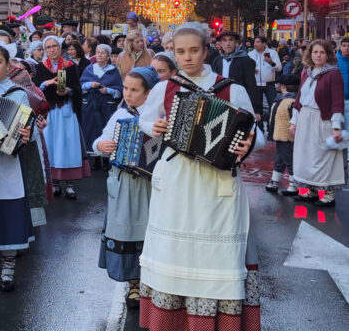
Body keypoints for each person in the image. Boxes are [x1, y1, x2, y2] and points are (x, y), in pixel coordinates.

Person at [136, 23, 259, 331]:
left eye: (193, 50)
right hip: (177, 177)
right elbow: (145, 119)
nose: (187, 57)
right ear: (173, 54)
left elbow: (253, 130)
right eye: (180, 52)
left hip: (216, 182)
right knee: (174, 251)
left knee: (216, 256)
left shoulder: (231, 89)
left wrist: (248, 143)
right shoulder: (166, 87)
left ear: (206, 51)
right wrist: (154, 127)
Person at [92, 65, 161, 309]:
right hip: (125, 183)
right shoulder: (121, 114)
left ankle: (152, 282)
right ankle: (134, 284)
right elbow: (100, 140)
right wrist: (101, 146)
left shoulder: (159, 117)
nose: (128, 94)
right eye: (125, 88)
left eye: (134, 90)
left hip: (152, 185)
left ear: (148, 93)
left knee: (150, 231)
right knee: (129, 232)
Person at [0, 43, 34, 293]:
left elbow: (29, 130)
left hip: (8, 161)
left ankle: (8, 267)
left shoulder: (18, 93)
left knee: (9, 210)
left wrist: (27, 134)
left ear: (8, 65)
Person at [289, 40, 345, 207]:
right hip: (305, 117)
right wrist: (294, 122)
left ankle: (328, 194)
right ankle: (311, 190)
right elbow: (299, 99)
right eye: (315, 52)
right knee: (306, 156)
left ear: (328, 55)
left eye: (322, 52)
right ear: (310, 54)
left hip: (323, 119)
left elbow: (337, 101)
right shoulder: (307, 73)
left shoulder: (333, 74)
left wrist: (336, 126)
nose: (318, 55)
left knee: (324, 156)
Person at [33, 35, 86, 199]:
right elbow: (35, 89)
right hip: (50, 112)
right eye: (48, 47)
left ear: (60, 47)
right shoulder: (41, 67)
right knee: (51, 145)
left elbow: (78, 89)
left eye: (54, 46)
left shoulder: (70, 66)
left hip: (66, 111)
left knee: (69, 144)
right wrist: (45, 84)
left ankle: (70, 184)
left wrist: (68, 91)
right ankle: (54, 182)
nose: (52, 49)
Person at [212, 29, 263, 122]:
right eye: (224, 40)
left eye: (231, 40)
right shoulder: (217, 61)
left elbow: (251, 85)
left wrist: (256, 109)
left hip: (239, 103)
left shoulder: (245, 60)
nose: (228, 43)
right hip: (221, 103)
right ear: (220, 43)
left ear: (236, 42)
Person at [79, 44, 123, 152]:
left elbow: (119, 91)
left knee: (105, 129)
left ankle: (105, 153)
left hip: (106, 107)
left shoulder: (114, 71)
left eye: (103, 53)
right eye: (98, 52)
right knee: (90, 130)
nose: (99, 55)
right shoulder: (89, 69)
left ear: (108, 56)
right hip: (90, 106)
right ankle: (91, 152)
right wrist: (90, 84)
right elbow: (81, 86)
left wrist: (108, 90)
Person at [265, 74, 299, 195]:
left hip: (287, 136)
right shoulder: (289, 100)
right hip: (282, 135)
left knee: (289, 160)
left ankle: (293, 186)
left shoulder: (289, 102)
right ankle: (274, 182)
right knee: (279, 159)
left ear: (283, 87)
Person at [249, 35, 282, 119]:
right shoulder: (250, 54)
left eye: (258, 42)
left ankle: (271, 124)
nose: (255, 44)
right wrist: (251, 70)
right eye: (254, 42)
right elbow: (245, 68)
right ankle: (259, 126)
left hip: (269, 84)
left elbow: (279, 68)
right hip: (256, 85)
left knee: (273, 106)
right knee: (257, 109)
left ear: (264, 44)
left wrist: (271, 62)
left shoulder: (272, 53)